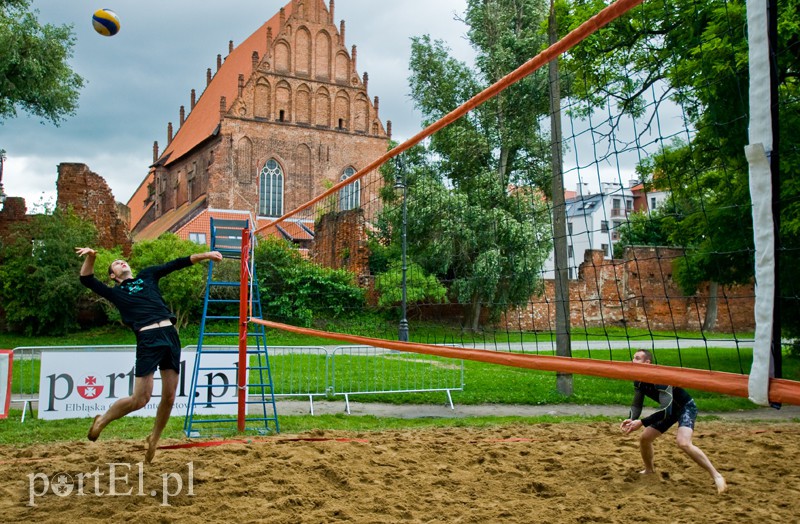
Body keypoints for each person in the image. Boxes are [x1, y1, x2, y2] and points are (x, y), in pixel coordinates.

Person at [75, 246, 223, 463]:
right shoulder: (115, 292)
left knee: (170, 396)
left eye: (123, 261)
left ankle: (154, 438)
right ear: (113, 276)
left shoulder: (147, 275)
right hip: (148, 339)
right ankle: (102, 420)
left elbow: (177, 262)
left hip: (170, 335)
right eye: (116, 263)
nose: (121, 262)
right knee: (140, 399)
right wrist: (92, 256)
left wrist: (207, 255)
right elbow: (86, 279)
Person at [620, 349, 727, 493]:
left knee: (683, 443)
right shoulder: (638, 380)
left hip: (685, 407)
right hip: (669, 410)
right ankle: (649, 470)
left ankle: (717, 476)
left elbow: (665, 411)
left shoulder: (660, 378)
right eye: (633, 358)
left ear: (647, 363)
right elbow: (637, 404)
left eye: (637, 358)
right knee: (645, 438)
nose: (633, 361)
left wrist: (641, 422)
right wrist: (631, 418)